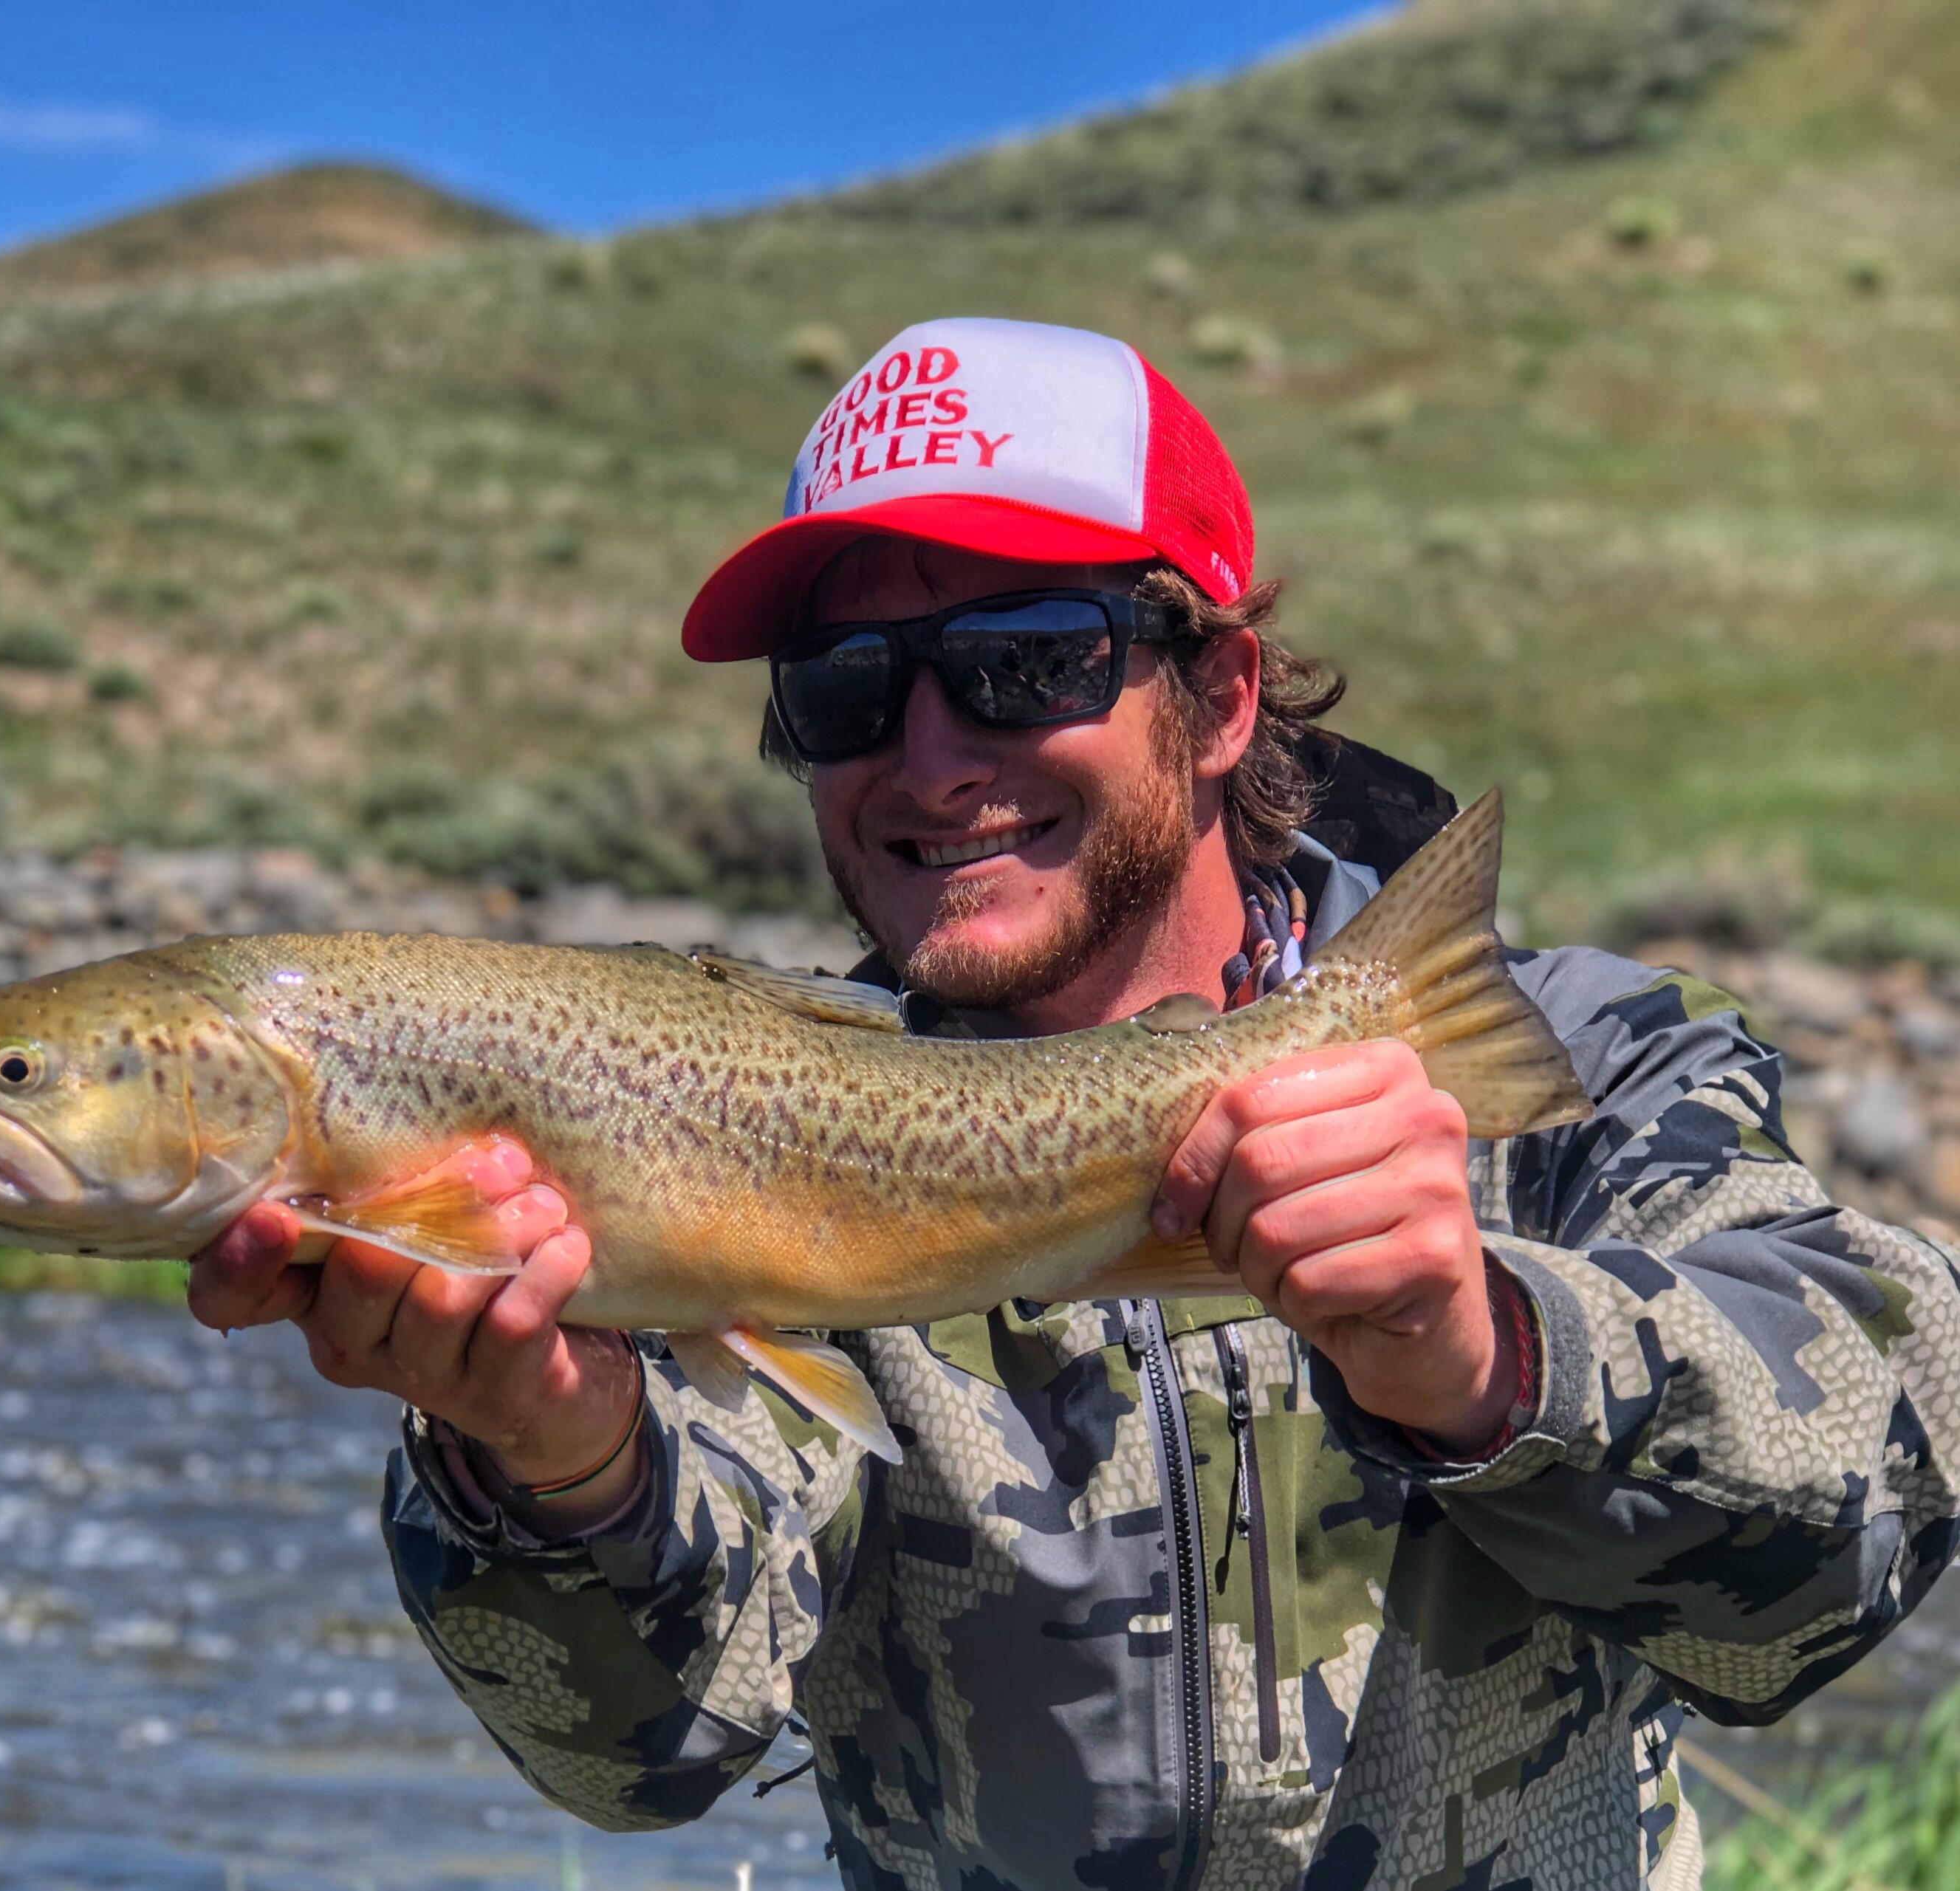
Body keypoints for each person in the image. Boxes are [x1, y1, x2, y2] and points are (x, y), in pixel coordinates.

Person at [186, 318, 1960, 1889]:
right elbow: (635, 1759)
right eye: (846, 689)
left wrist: (1486, 1353)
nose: (932, 756)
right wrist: (557, 1468)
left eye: (1027, 656)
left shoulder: (1564, 1060)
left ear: (1217, 696)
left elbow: (1854, 1542)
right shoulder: (739, 1122)